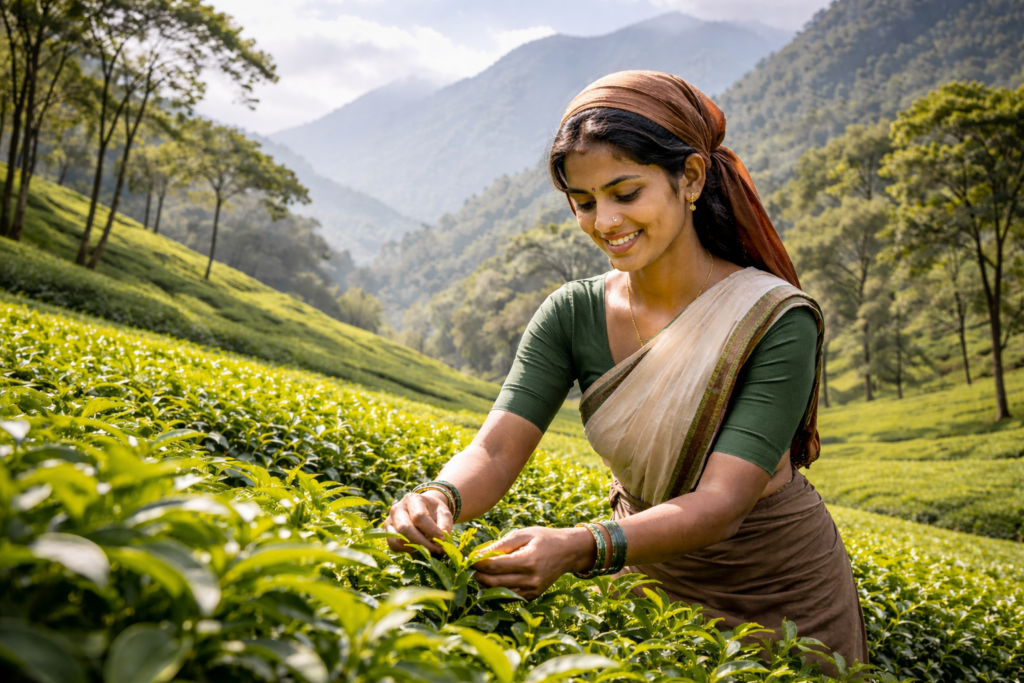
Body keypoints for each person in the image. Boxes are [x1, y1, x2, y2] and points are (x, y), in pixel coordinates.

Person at [385, 70, 868, 669]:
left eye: (625, 193)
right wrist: (440, 496)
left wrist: (581, 546)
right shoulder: (572, 312)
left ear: (689, 178)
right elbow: (497, 450)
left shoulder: (773, 319)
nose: (605, 222)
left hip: (780, 595)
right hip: (644, 576)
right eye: (583, 203)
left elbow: (724, 501)